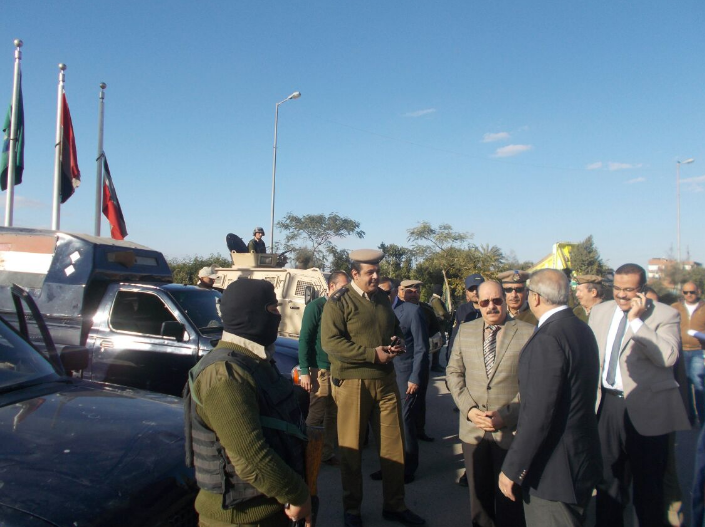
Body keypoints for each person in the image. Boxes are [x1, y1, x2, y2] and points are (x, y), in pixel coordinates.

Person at [184, 279, 311, 527]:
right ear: (250, 314)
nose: (278, 316)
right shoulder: (224, 373)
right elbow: (249, 455)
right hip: (240, 518)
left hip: (269, 510)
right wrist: (297, 494)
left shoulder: (255, 361)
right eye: (273, 310)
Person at [321, 249, 425, 527]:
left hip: (386, 381)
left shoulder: (382, 298)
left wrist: (398, 341)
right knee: (351, 450)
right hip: (353, 383)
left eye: (377, 270)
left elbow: (394, 327)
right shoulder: (338, 302)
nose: (376, 276)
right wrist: (372, 354)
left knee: (393, 447)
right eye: (370, 272)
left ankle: (395, 504)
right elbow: (331, 343)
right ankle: (352, 509)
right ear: (354, 274)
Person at [588, 263, 690, 527]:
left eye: (628, 290)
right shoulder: (600, 312)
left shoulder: (665, 315)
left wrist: (636, 320)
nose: (621, 295)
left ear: (642, 289)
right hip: (608, 406)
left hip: (647, 410)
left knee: (648, 490)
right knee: (609, 484)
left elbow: (667, 357)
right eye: (617, 289)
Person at [499, 269, 602, 527]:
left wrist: (512, 468)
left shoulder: (547, 338)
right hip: (580, 459)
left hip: (553, 472)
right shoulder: (580, 328)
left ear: (534, 298)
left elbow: (538, 414)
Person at [446, 280, 533, 527]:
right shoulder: (466, 330)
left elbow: (532, 385)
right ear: (478, 303)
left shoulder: (527, 333)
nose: (491, 307)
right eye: (485, 302)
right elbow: (453, 373)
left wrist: (506, 415)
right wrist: (470, 411)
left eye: (496, 301)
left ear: (504, 300)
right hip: (473, 431)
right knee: (479, 500)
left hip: (509, 431)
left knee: (511, 499)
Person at [371, 277, 429, 483]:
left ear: (397, 291)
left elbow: (422, 347)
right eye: (380, 292)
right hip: (381, 375)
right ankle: (388, 466)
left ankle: (408, 467)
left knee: (404, 421)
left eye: (387, 292)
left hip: (405, 376)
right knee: (385, 423)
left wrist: (415, 377)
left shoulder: (412, 311)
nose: (384, 296)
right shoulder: (375, 309)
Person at [298, 270, 350, 467]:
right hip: (319, 369)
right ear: (332, 287)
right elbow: (305, 339)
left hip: (338, 368)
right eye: (343, 287)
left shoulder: (343, 307)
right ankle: (308, 453)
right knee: (317, 413)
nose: (346, 291)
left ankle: (325, 453)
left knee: (333, 413)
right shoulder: (316, 307)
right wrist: (304, 370)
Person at [397, 279, 437, 443]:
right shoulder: (396, 310)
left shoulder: (425, 310)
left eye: (416, 291)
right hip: (404, 366)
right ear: (400, 291)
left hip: (420, 362)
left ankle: (419, 430)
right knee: (407, 407)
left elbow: (434, 332)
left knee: (419, 400)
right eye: (409, 291)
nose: (414, 294)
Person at [672, 281, 705, 423]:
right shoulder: (675, 308)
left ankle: (703, 419)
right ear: (682, 293)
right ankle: (689, 418)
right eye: (686, 292)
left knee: (699, 384)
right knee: (684, 386)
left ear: (698, 292)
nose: (689, 295)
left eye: (692, 292)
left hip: (699, 350)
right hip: (681, 351)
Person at [448, 274, 485, 356]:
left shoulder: (491, 309)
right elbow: (454, 336)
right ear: (467, 292)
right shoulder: (462, 310)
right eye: (471, 289)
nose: (475, 292)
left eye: (478, 288)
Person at [429, 284, 452, 373]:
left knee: (438, 344)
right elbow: (441, 312)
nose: (442, 292)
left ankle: (436, 364)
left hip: (438, 325)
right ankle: (435, 365)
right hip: (438, 325)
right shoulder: (435, 300)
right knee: (438, 344)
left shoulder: (434, 299)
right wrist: (449, 316)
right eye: (441, 291)